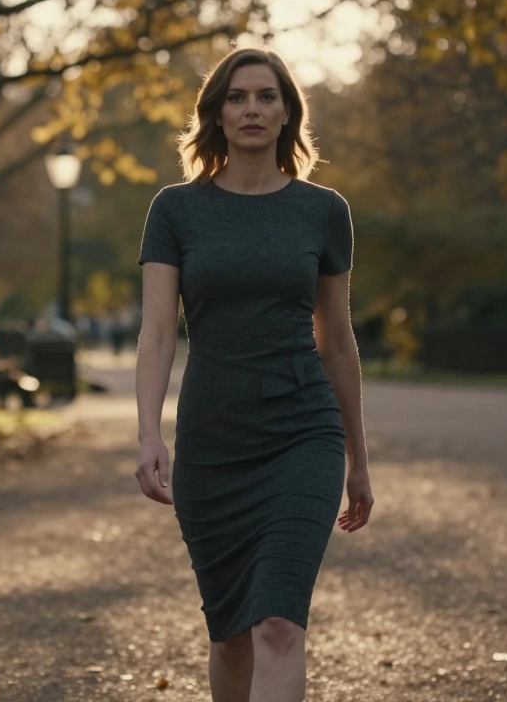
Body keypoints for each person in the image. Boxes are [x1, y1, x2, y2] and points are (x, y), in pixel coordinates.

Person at [134, 47, 373, 702]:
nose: (252, 109)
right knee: (231, 633)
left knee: (276, 624)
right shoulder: (175, 210)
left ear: (288, 113)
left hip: (303, 430)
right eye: (237, 97)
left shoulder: (323, 211)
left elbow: (339, 342)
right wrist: (149, 434)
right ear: (215, 113)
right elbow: (156, 334)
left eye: (267, 96)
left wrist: (357, 457)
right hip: (213, 439)